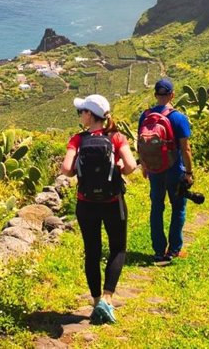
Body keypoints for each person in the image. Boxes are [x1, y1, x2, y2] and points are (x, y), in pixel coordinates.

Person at [61, 94, 137, 324]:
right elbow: (131, 165)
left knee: (92, 252)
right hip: (113, 202)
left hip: (86, 204)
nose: (80, 115)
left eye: (81, 112)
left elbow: (66, 169)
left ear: (89, 115)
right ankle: (107, 298)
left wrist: (78, 168)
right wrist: (120, 168)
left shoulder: (77, 139)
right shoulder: (116, 137)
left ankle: (96, 303)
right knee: (118, 249)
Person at [138, 78, 194, 265]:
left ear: (155, 95)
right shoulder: (178, 118)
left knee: (156, 208)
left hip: (154, 169)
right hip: (174, 170)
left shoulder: (144, 116)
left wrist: (145, 166)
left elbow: (141, 144)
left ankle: (158, 251)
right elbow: (185, 149)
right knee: (178, 207)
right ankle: (174, 249)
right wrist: (189, 172)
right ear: (172, 95)